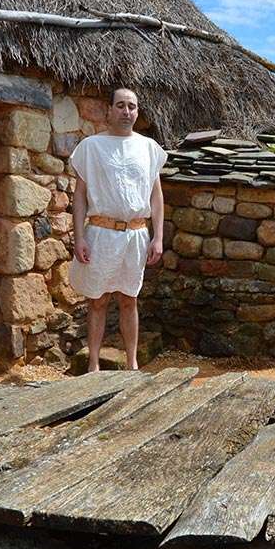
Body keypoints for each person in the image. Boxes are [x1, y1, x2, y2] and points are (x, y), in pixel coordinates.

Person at [68, 88, 166, 372]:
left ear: (137, 112)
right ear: (109, 110)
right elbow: (80, 196)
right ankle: (94, 364)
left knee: (129, 299)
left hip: (136, 235)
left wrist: (158, 237)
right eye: (121, 105)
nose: (126, 111)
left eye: (132, 106)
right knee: (97, 301)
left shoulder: (149, 148)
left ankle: (132, 364)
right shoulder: (91, 147)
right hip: (100, 233)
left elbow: (156, 196)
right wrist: (80, 237)